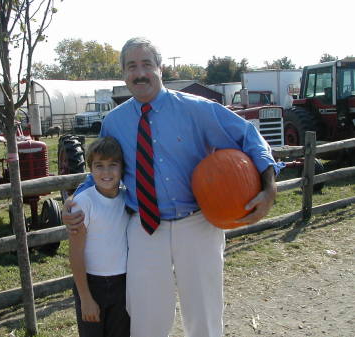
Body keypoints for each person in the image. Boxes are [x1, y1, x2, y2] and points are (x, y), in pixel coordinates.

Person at [64, 37, 282, 337]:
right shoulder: (114, 122)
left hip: (197, 223)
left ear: (160, 68)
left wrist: (269, 187)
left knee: (204, 316)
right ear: (124, 74)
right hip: (144, 227)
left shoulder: (197, 109)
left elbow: (249, 136)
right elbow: (103, 169)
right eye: (131, 67)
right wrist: (75, 201)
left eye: (146, 64)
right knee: (145, 318)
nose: (140, 73)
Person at [68, 136, 130, 337]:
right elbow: (75, 253)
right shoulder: (83, 203)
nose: (106, 172)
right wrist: (85, 298)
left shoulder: (128, 200)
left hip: (123, 284)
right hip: (92, 284)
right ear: (90, 168)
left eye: (113, 165)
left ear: (122, 168)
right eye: (99, 165)